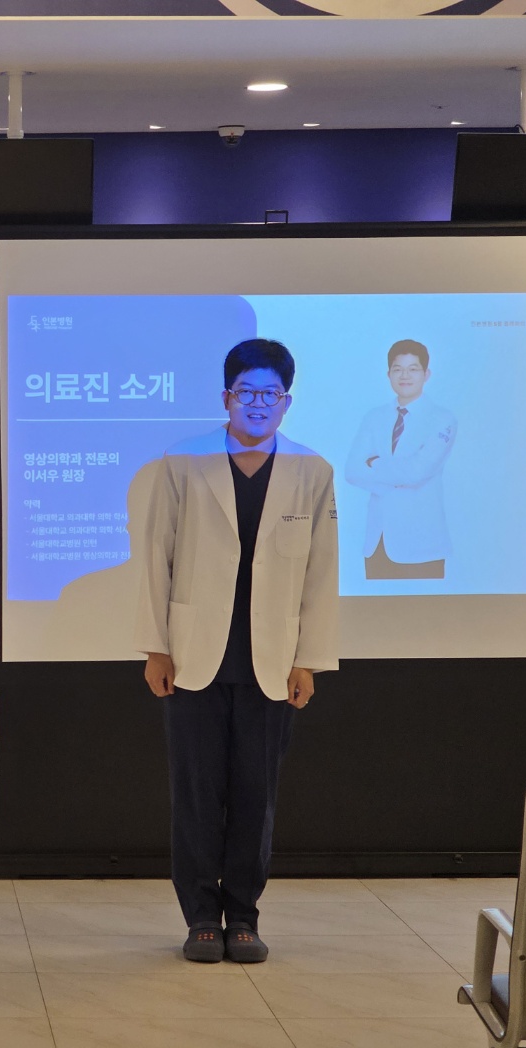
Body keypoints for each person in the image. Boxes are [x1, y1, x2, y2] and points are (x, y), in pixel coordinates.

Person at [134, 337, 338, 964]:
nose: (258, 403)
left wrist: (308, 659)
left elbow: (320, 575)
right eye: (246, 391)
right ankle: (201, 918)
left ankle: (243, 918)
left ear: (287, 402)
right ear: (226, 398)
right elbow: (156, 558)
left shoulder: (312, 471)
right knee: (197, 796)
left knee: (256, 797)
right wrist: (155, 648)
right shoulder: (183, 462)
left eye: (270, 394)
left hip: (271, 661)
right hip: (194, 657)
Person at [345, 339, 457, 580]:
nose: (404, 376)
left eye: (413, 369)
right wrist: (395, 480)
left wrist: (374, 463)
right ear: (389, 374)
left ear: (426, 374)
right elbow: (352, 470)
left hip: (422, 545)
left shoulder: (442, 419)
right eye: (398, 369)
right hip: (377, 543)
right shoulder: (374, 417)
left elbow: (417, 472)